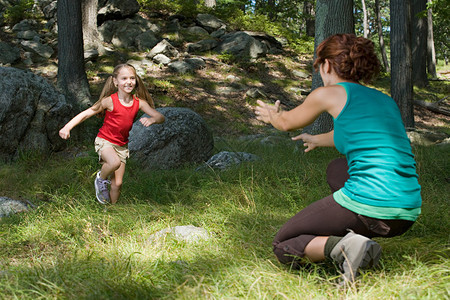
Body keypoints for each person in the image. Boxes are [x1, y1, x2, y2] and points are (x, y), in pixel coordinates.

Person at [255, 34, 421, 284]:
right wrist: (317, 139)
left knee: (284, 244)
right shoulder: (384, 101)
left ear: (327, 64)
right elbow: (354, 134)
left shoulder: (328, 93)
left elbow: (286, 122)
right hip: (406, 212)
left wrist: (273, 116)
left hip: (373, 203)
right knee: (337, 169)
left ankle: (345, 247)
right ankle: (361, 238)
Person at [59, 63, 165, 204]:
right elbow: (86, 114)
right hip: (105, 141)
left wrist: (152, 120)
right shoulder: (109, 101)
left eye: (132, 78)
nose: (129, 82)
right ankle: (101, 179)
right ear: (115, 81)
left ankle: (111, 210)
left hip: (121, 146)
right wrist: (67, 127)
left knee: (118, 183)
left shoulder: (139, 103)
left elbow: (160, 117)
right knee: (113, 162)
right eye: (124, 78)